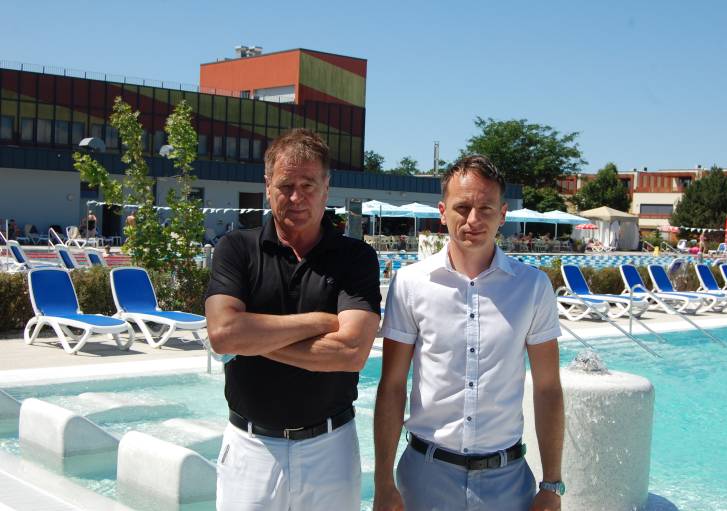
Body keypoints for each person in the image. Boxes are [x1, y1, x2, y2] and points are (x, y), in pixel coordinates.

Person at [373, 155, 565, 511]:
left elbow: (548, 388)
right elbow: (392, 386)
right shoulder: (411, 284)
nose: (473, 220)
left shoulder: (532, 287)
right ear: (442, 212)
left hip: (507, 481)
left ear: (502, 214)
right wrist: (383, 481)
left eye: (485, 209)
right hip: (425, 476)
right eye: (462, 208)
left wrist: (552, 484)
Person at [205, 128, 381, 511]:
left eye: (308, 185)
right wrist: (320, 321)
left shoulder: (356, 258)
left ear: (326, 188)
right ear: (267, 186)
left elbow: (350, 353)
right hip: (251, 449)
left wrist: (253, 340)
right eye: (286, 186)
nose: (297, 197)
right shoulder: (237, 249)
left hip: (331, 450)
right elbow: (223, 334)